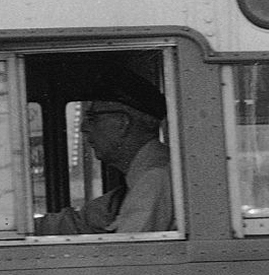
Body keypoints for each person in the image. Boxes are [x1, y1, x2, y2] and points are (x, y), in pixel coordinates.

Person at [40, 75, 175, 235]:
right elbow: (82, 221)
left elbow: (128, 253)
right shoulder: (135, 183)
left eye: (92, 118)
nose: (84, 127)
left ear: (123, 123)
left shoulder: (153, 180)